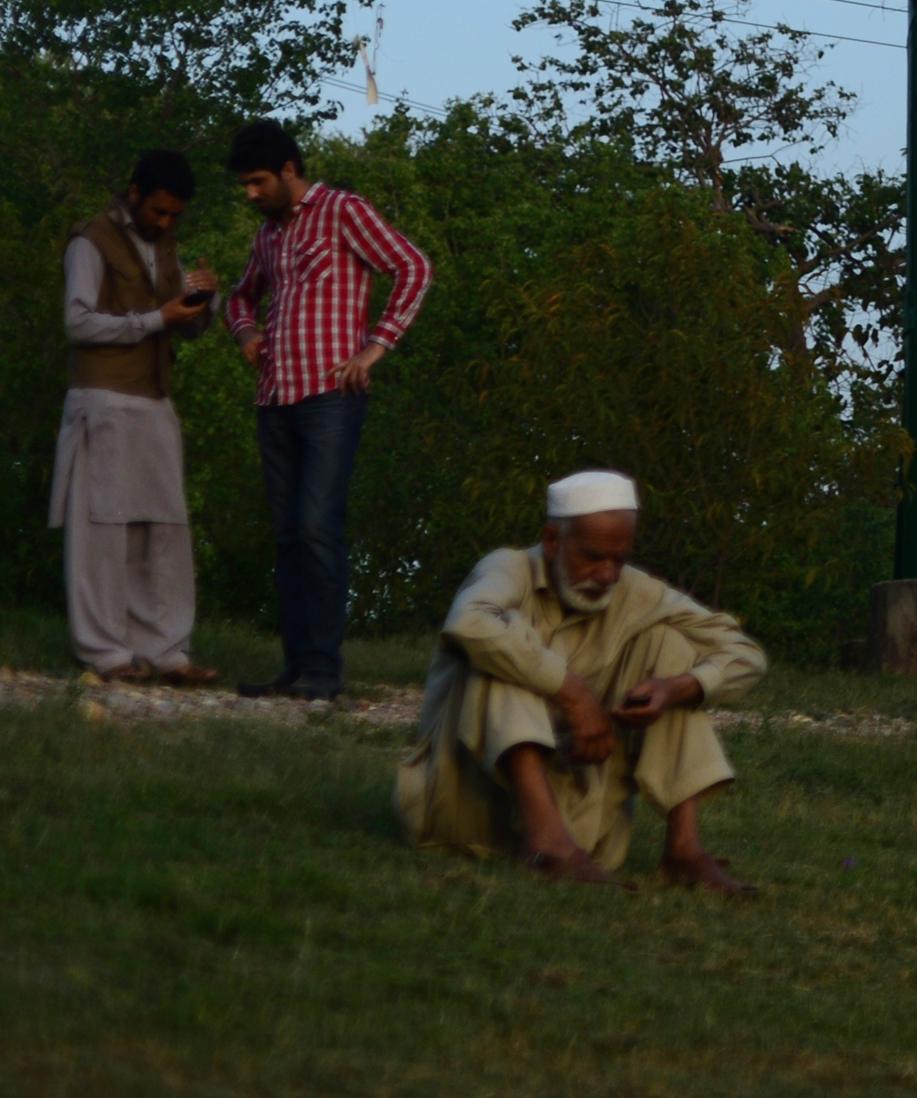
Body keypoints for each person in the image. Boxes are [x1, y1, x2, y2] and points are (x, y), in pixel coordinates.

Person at [400, 471, 762, 893]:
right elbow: (468, 622)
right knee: (503, 640)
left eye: (619, 560)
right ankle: (547, 841)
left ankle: (683, 849)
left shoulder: (634, 592)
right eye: (592, 557)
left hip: (585, 822)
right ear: (552, 541)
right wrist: (572, 693)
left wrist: (677, 688)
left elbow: (744, 653)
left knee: (670, 646)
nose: (608, 575)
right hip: (466, 808)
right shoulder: (509, 569)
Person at [221, 120, 432, 702]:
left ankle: (323, 668)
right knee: (287, 535)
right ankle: (295, 668)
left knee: (317, 527)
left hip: (329, 397)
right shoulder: (267, 234)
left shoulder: (342, 210)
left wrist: (375, 348)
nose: (251, 194)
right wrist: (245, 335)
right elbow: (242, 295)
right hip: (274, 396)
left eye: (258, 182)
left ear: (289, 170)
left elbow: (413, 267)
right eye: (244, 184)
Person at [50, 151, 221, 686]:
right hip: (101, 400)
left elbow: (182, 327)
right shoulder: (90, 241)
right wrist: (155, 318)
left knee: (165, 530)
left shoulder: (166, 247)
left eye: (175, 216)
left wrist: (204, 304)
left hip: (154, 399)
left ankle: (166, 651)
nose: (166, 223)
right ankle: (106, 652)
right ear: (134, 193)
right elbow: (77, 322)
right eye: (159, 211)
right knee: (102, 532)